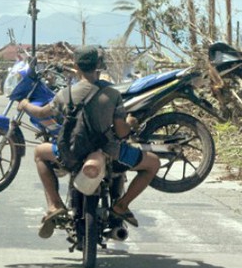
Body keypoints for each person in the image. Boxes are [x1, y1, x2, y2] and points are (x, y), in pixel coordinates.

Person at [17, 45, 160, 238]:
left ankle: (54, 204)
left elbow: (42, 114)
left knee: (39, 153)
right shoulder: (112, 95)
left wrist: (25, 104)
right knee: (153, 163)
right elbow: (121, 131)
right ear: (98, 66)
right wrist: (131, 123)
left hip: (71, 153)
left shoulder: (64, 94)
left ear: (76, 66)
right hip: (109, 153)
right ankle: (121, 205)